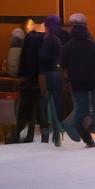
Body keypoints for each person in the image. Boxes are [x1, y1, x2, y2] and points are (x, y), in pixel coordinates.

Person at [61, 13, 95, 148]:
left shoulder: (67, 46)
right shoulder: (93, 45)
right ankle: (74, 126)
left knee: (80, 112)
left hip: (76, 84)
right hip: (93, 83)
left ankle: (80, 130)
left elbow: (63, 65)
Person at [14, 20, 48, 143]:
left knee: (25, 110)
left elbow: (25, 59)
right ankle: (42, 136)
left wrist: (23, 74)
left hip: (28, 80)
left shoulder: (29, 39)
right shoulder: (44, 40)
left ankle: (18, 134)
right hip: (38, 79)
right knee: (39, 110)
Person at [39, 14, 66, 146]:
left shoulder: (49, 39)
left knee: (51, 103)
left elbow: (44, 57)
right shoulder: (57, 39)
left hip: (50, 74)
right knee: (55, 102)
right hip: (56, 73)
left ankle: (54, 130)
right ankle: (56, 131)